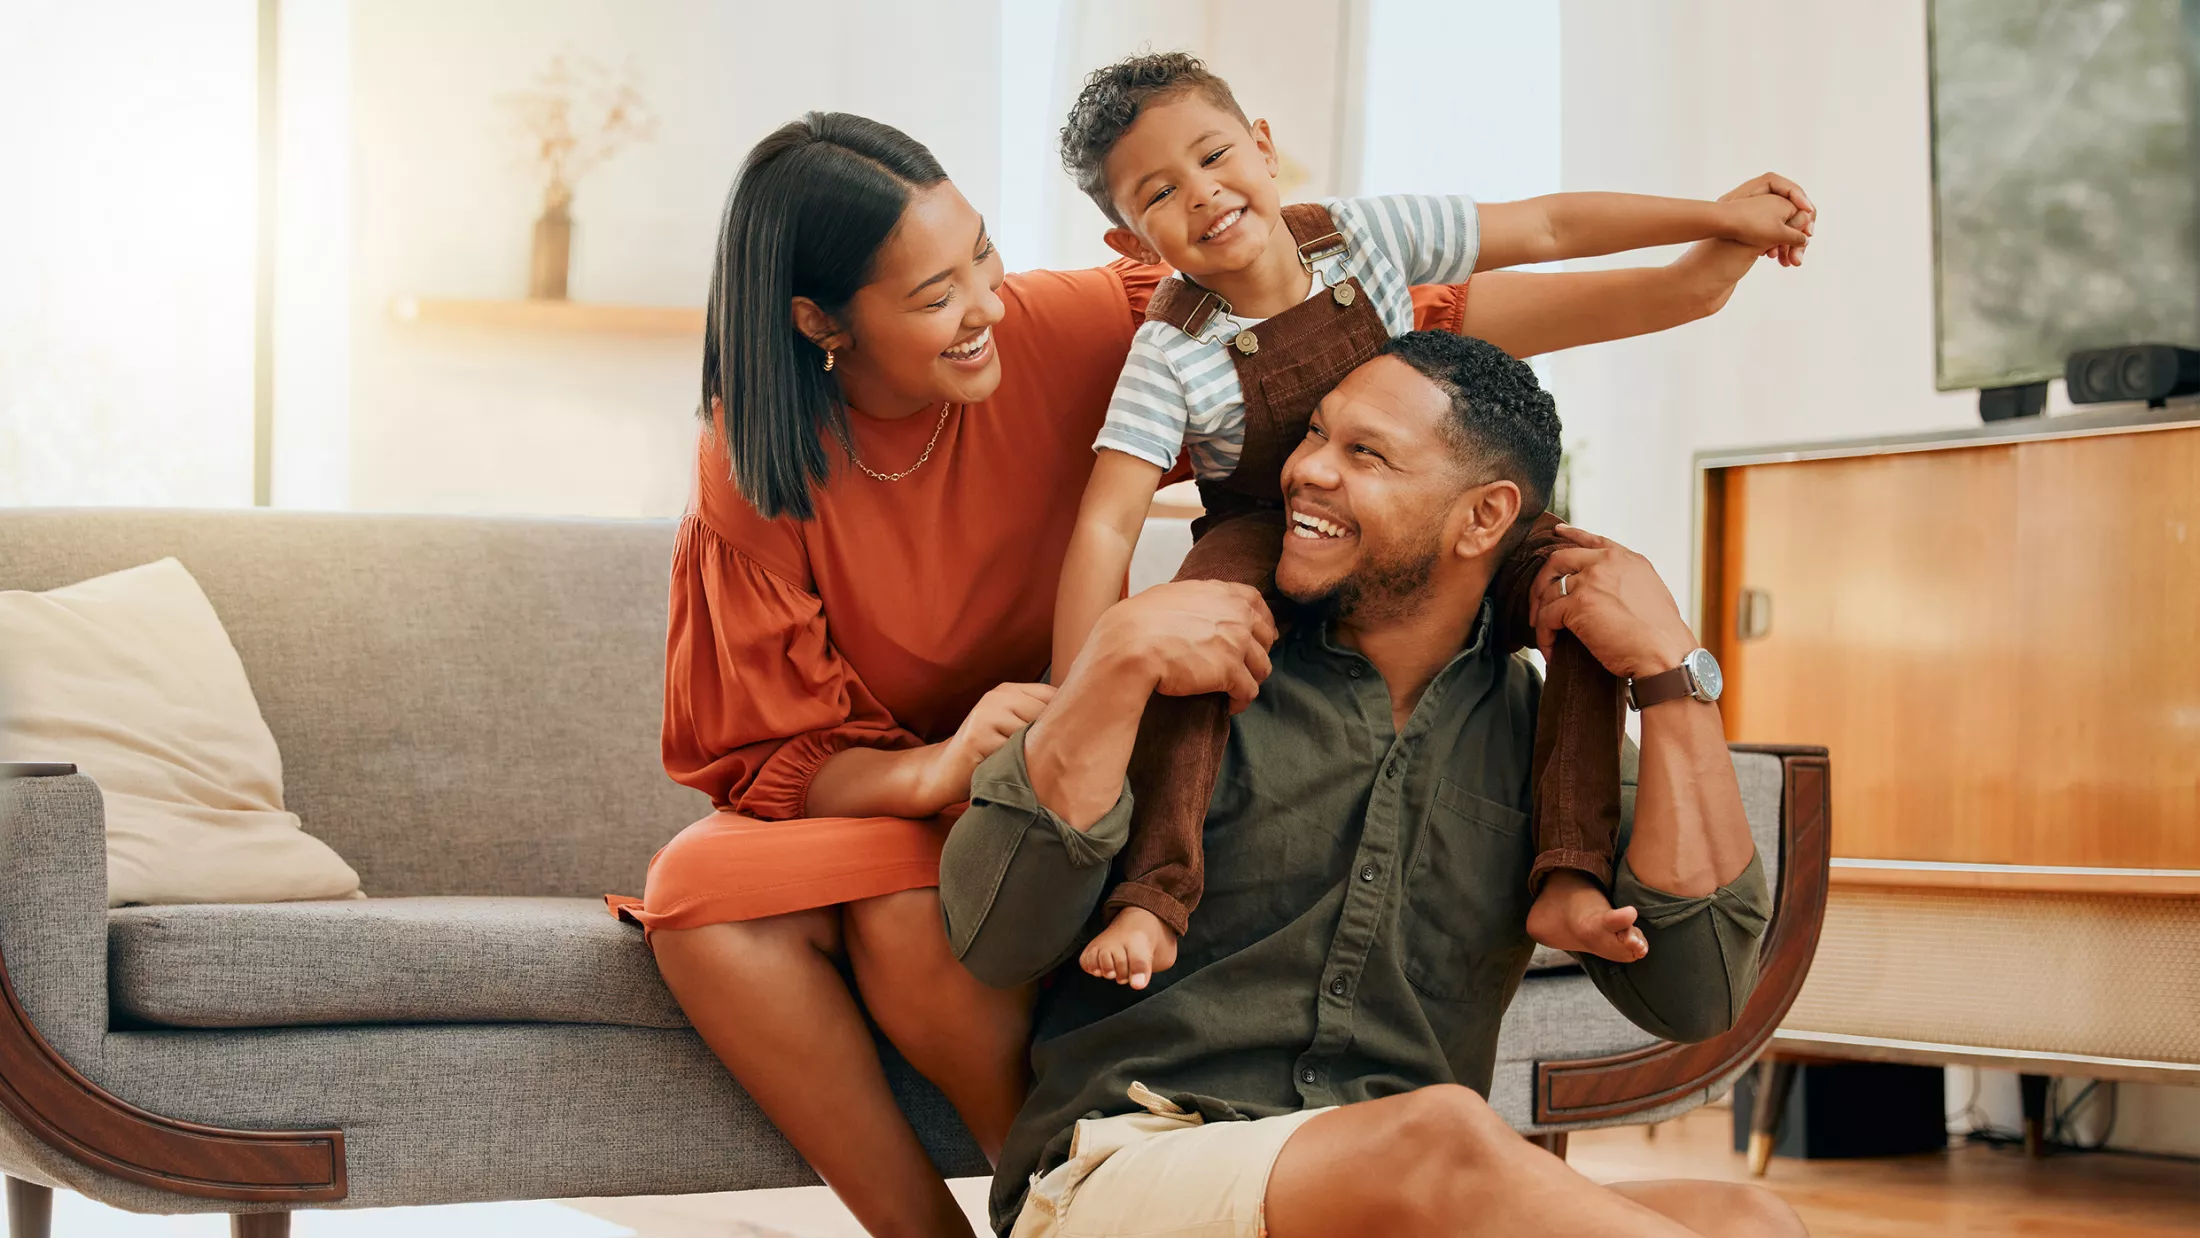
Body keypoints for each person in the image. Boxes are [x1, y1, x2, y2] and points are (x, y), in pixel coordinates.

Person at [614, 110, 1791, 1238]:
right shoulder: (769, 467)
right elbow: (785, 758)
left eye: (986, 258)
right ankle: (1016, 1197)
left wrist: (1694, 278)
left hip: (1317, 1112)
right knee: (717, 895)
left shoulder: (1084, 326)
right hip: (994, 779)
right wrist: (1073, 694)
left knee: (1743, 1209)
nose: (986, 309)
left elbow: (1367, 311)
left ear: (1488, 514)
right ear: (822, 321)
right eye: (935, 296)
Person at [942, 332, 1798, 1238]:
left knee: (1751, 1219)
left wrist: (1671, 677)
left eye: (1366, 454)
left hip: (1400, 1195)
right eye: (1314, 435)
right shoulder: (1185, 666)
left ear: (1484, 517)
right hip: (1136, 1165)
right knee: (1443, 1134)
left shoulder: (1543, 738)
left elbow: (1697, 994)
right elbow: (994, 938)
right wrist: (1111, 661)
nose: (1308, 470)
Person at [1046, 52, 1816, 989]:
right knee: (1192, 636)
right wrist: (1077, 689)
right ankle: (1154, 892)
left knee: (1583, 590)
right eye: (1161, 193)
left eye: (1213, 156)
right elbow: (1104, 527)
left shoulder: (1365, 236)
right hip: (1266, 521)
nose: (1204, 195)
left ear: (1263, 145)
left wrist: (1715, 217)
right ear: (1131, 242)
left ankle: (1569, 870)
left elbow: (1546, 223)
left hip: (1427, 495)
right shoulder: (1169, 353)